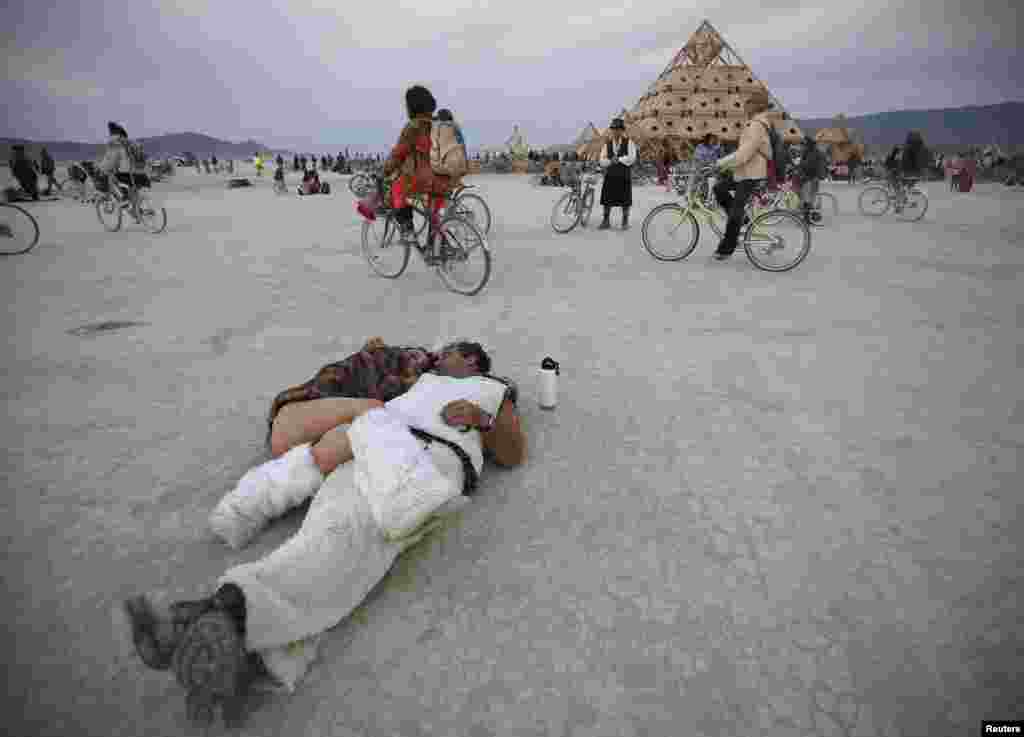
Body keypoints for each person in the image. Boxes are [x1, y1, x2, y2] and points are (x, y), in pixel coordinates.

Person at [122, 340, 525, 726]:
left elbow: (513, 452)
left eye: (451, 351)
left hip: (430, 460)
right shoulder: (422, 379)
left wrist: (481, 419)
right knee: (327, 535)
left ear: (472, 360)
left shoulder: (492, 388)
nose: (441, 356)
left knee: (343, 538)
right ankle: (224, 637)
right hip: (372, 443)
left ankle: (216, 617)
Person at [383, 85, 450, 245]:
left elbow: (398, 153)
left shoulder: (413, 127)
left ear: (411, 106)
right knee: (434, 215)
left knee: (397, 189)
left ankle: (408, 231)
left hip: (422, 180)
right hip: (445, 179)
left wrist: (385, 170)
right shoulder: (439, 125)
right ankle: (442, 247)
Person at [711, 92, 774, 260]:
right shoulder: (755, 123)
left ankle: (727, 248)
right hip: (744, 171)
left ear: (757, 106)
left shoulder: (757, 125)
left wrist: (720, 163)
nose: (745, 106)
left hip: (751, 174)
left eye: (749, 103)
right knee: (719, 187)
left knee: (735, 213)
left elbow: (744, 154)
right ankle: (742, 219)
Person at [97, 121, 150, 206]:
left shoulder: (114, 143)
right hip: (143, 175)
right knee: (134, 195)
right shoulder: (132, 142)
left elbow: (110, 161)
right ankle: (138, 212)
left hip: (128, 176)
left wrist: (101, 169)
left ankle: (124, 199)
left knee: (112, 178)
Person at [597, 118, 637, 230]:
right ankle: (606, 221)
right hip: (610, 175)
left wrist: (619, 159)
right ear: (612, 130)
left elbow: (632, 158)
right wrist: (610, 161)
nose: (616, 131)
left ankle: (625, 222)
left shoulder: (629, 142)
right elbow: (601, 160)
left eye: (618, 129)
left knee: (625, 200)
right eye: (614, 129)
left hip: (624, 175)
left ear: (622, 130)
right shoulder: (607, 144)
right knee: (607, 199)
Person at [796, 135, 827, 226]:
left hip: (811, 178)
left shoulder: (813, 152)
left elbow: (808, 165)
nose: (801, 147)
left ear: (808, 145)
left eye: (803, 145)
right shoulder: (810, 151)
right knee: (809, 198)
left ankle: (807, 219)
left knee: (807, 199)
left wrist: (799, 165)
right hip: (810, 178)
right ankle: (809, 217)